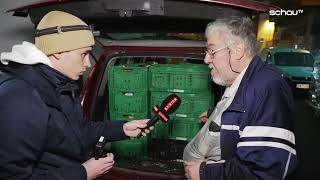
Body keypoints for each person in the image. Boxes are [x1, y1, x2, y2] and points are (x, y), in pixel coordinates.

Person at [0, 11, 151, 180]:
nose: (87, 64)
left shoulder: (59, 84)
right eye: (84, 54)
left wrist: (121, 129)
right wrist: (83, 173)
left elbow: (76, 132)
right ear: (58, 51)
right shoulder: (20, 99)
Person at [183, 17, 297, 180]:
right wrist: (216, 116)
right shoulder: (243, 81)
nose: (206, 59)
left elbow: (263, 171)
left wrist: (205, 173)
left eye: (212, 51)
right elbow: (247, 115)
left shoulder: (268, 88)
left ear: (237, 50)